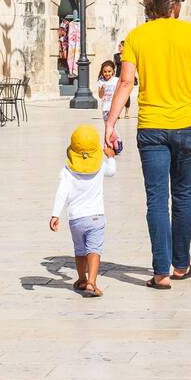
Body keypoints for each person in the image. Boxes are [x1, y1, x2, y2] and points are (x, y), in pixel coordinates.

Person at [104, 0, 191, 289]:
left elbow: (126, 82)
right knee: (183, 196)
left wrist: (110, 122)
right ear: (174, 4)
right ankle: (181, 265)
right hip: (186, 125)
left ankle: (161, 272)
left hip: (151, 128)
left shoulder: (136, 37)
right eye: (181, 0)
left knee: (157, 199)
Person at [49, 125, 117, 298]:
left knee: (79, 250)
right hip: (96, 217)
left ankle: (81, 278)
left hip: (76, 219)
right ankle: (92, 283)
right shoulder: (101, 166)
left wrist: (55, 214)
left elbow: (61, 192)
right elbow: (112, 171)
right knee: (94, 249)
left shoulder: (67, 170)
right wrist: (110, 157)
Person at [97, 60, 119, 125]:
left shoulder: (116, 80)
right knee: (107, 125)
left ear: (113, 71)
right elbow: (100, 96)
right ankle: (110, 135)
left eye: (109, 71)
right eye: (105, 72)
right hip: (105, 107)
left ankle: (112, 135)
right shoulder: (101, 81)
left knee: (112, 126)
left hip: (114, 107)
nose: (107, 73)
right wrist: (102, 88)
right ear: (102, 72)